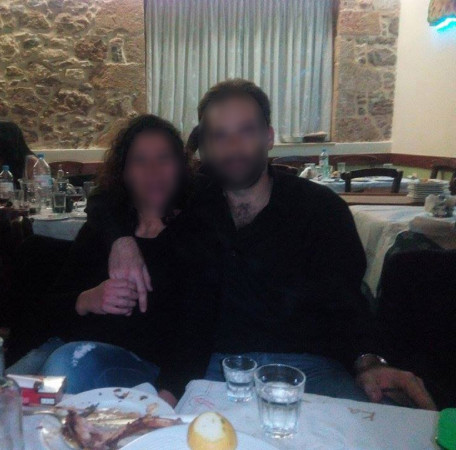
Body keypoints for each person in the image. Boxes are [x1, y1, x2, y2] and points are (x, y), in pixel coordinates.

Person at [89, 80, 437, 410]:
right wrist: (121, 241)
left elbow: (347, 302)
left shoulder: (320, 209)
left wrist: (368, 362)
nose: (233, 147)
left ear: (268, 137)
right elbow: (106, 198)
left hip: (309, 371)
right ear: (206, 145)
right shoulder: (191, 202)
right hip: (213, 369)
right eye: (219, 136)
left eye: (246, 131)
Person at [7, 115, 218, 406]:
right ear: (124, 171)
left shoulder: (197, 231)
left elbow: (198, 330)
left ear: (181, 166)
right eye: (139, 160)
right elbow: (49, 312)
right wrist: (88, 299)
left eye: (164, 158)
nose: (153, 171)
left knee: (63, 372)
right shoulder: (104, 229)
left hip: (137, 368)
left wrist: (166, 400)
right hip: (64, 348)